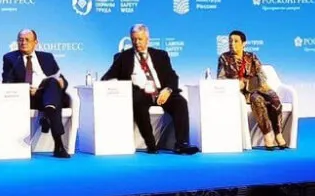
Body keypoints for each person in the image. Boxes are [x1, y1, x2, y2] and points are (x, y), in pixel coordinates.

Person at [101, 24, 199, 155]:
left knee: (180, 102)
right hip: (140, 93)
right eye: (134, 39)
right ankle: (151, 144)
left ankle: (182, 144)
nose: (136, 42)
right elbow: (107, 77)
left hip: (161, 92)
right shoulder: (123, 57)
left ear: (147, 39)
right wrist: (117, 85)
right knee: (138, 100)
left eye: (140, 39)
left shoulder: (161, 55)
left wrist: (168, 90)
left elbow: (172, 76)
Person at [2, 29, 71, 158]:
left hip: (47, 93)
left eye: (27, 40)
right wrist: (25, 89)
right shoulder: (10, 58)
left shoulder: (47, 57)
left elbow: (61, 79)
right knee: (53, 103)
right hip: (28, 97)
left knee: (51, 82)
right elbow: (7, 82)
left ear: (36, 42)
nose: (23, 42)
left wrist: (62, 82)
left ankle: (48, 113)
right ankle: (58, 144)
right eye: (20, 40)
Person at [217, 30, 286, 150]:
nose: (232, 44)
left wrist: (260, 84)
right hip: (242, 92)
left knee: (274, 98)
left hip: (256, 86)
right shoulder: (224, 58)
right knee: (257, 100)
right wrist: (235, 84)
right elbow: (220, 78)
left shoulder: (251, 56)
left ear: (243, 43)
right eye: (230, 41)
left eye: (236, 41)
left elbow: (261, 74)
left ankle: (278, 133)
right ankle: (267, 135)